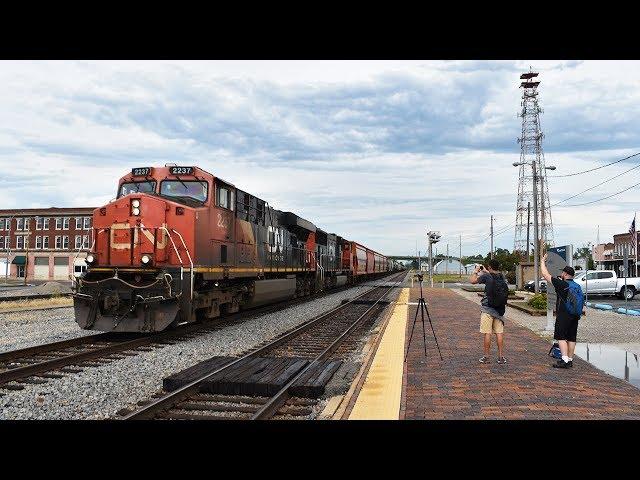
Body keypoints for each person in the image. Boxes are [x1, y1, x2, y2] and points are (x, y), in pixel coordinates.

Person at [540, 254, 582, 369]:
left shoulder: (562, 284)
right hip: (575, 315)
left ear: (566, 274)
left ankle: (564, 360)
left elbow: (545, 275)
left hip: (564, 314)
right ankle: (570, 359)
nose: (561, 274)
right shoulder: (577, 286)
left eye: (563, 272)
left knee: (561, 337)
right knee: (571, 338)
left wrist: (542, 261)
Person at [470, 259, 509, 364]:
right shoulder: (502, 276)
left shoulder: (486, 277)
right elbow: (493, 276)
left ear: (490, 267)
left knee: (488, 333)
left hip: (487, 309)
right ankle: (501, 357)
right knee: (499, 333)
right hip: (500, 310)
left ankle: (486, 357)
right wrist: (487, 270)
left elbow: (472, 281)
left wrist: (476, 271)